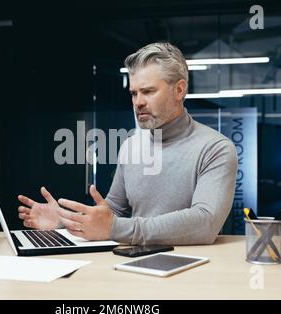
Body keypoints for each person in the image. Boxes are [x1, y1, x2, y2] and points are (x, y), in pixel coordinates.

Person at [18, 42, 238, 245]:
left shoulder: (216, 149)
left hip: (194, 273)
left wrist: (117, 229)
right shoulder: (131, 146)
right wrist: (66, 220)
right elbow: (113, 212)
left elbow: (205, 223)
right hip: (136, 266)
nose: (138, 102)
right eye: (134, 93)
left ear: (179, 90)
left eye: (148, 91)